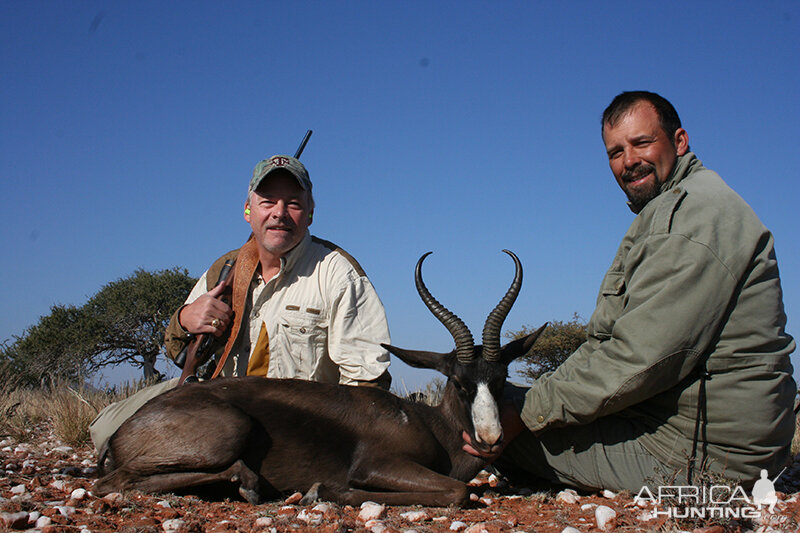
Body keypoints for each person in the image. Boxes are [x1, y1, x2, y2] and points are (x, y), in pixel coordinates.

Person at [465, 91, 796, 492]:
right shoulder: (670, 207)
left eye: (642, 143)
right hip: (682, 426)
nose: (628, 161)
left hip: (708, 454)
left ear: (679, 141)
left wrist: (526, 413)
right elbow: (604, 345)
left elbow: (642, 359)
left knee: (485, 426)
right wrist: (530, 403)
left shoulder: (692, 217)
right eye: (615, 152)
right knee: (495, 401)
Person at [90, 154, 392, 451]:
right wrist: (185, 319)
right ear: (248, 211)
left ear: (311, 213)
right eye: (268, 201)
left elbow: (368, 386)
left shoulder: (338, 273)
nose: (279, 212)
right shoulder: (225, 267)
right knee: (105, 431)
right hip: (217, 404)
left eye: (294, 203)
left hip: (295, 425)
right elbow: (178, 352)